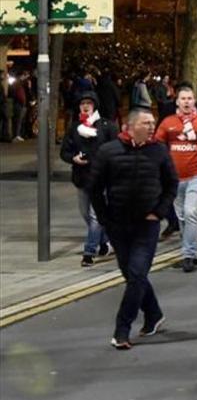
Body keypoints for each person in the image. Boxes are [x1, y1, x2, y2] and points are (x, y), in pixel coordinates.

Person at [89, 107, 178, 349]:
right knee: (131, 274)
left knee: (137, 274)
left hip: (146, 225)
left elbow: (172, 184)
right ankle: (154, 314)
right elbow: (95, 188)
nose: (151, 127)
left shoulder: (158, 151)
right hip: (118, 224)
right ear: (130, 126)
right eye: (146, 123)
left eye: (153, 123)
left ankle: (122, 329)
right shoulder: (108, 151)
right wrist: (104, 219)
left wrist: (158, 212)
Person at [154, 83, 197, 270]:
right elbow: (157, 145)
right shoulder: (168, 122)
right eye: (183, 99)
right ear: (177, 101)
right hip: (175, 179)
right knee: (182, 216)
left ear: (194, 101)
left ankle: (189, 255)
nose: (186, 102)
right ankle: (188, 249)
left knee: (191, 212)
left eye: (190, 99)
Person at [60, 90, 119, 267]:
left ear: (95, 106)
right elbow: (65, 151)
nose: (85, 106)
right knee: (86, 214)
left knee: (95, 216)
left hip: (101, 178)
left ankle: (89, 252)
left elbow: (116, 150)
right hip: (82, 177)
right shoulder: (74, 128)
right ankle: (105, 240)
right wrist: (73, 159)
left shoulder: (107, 126)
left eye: (89, 103)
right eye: (82, 103)